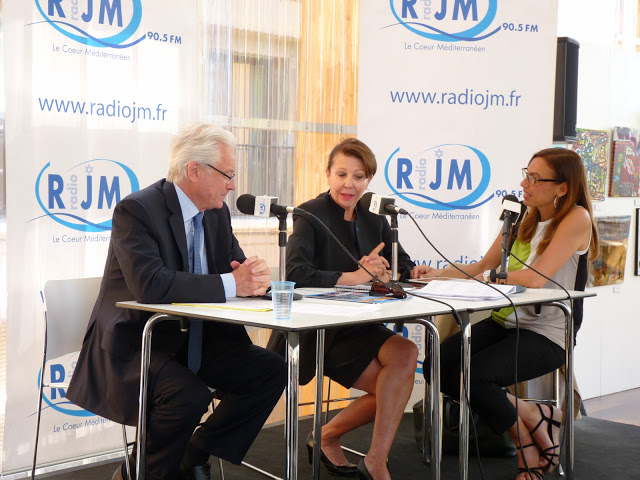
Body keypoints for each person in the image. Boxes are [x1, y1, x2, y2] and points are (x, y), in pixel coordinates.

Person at [66, 123, 287, 480]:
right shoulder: (136, 210)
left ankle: (194, 452)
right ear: (194, 170)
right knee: (187, 395)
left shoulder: (216, 213)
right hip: (139, 343)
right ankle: (139, 475)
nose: (233, 185)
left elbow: (234, 271)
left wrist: (255, 279)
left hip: (197, 340)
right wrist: (234, 282)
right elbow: (151, 285)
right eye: (228, 175)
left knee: (270, 370)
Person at [412, 148, 599, 480]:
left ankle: (525, 446)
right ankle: (536, 416)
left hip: (547, 333)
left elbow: (536, 278)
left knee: (478, 375)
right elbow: (482, 266)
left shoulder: (576, 218)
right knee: (438, 365)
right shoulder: (521, 218)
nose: (524, 183)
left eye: (535, 178)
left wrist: (487, 278)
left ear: (562, 188)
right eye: (526, 173)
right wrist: (434, 275)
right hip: (505, 322)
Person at [267, 138, 419, 480]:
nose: (349, 184)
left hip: (361, 322)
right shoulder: (310, 214)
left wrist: (398, 271)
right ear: (328, 175)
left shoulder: (376, 217)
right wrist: (355, 276)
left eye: (359, 176)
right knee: (392, 387)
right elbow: (295, 273)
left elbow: (402, 265)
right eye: (341, 174)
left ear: (368, 180)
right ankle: (334, 440)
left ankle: (369, 456)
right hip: (320, 330)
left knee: (406, 354)